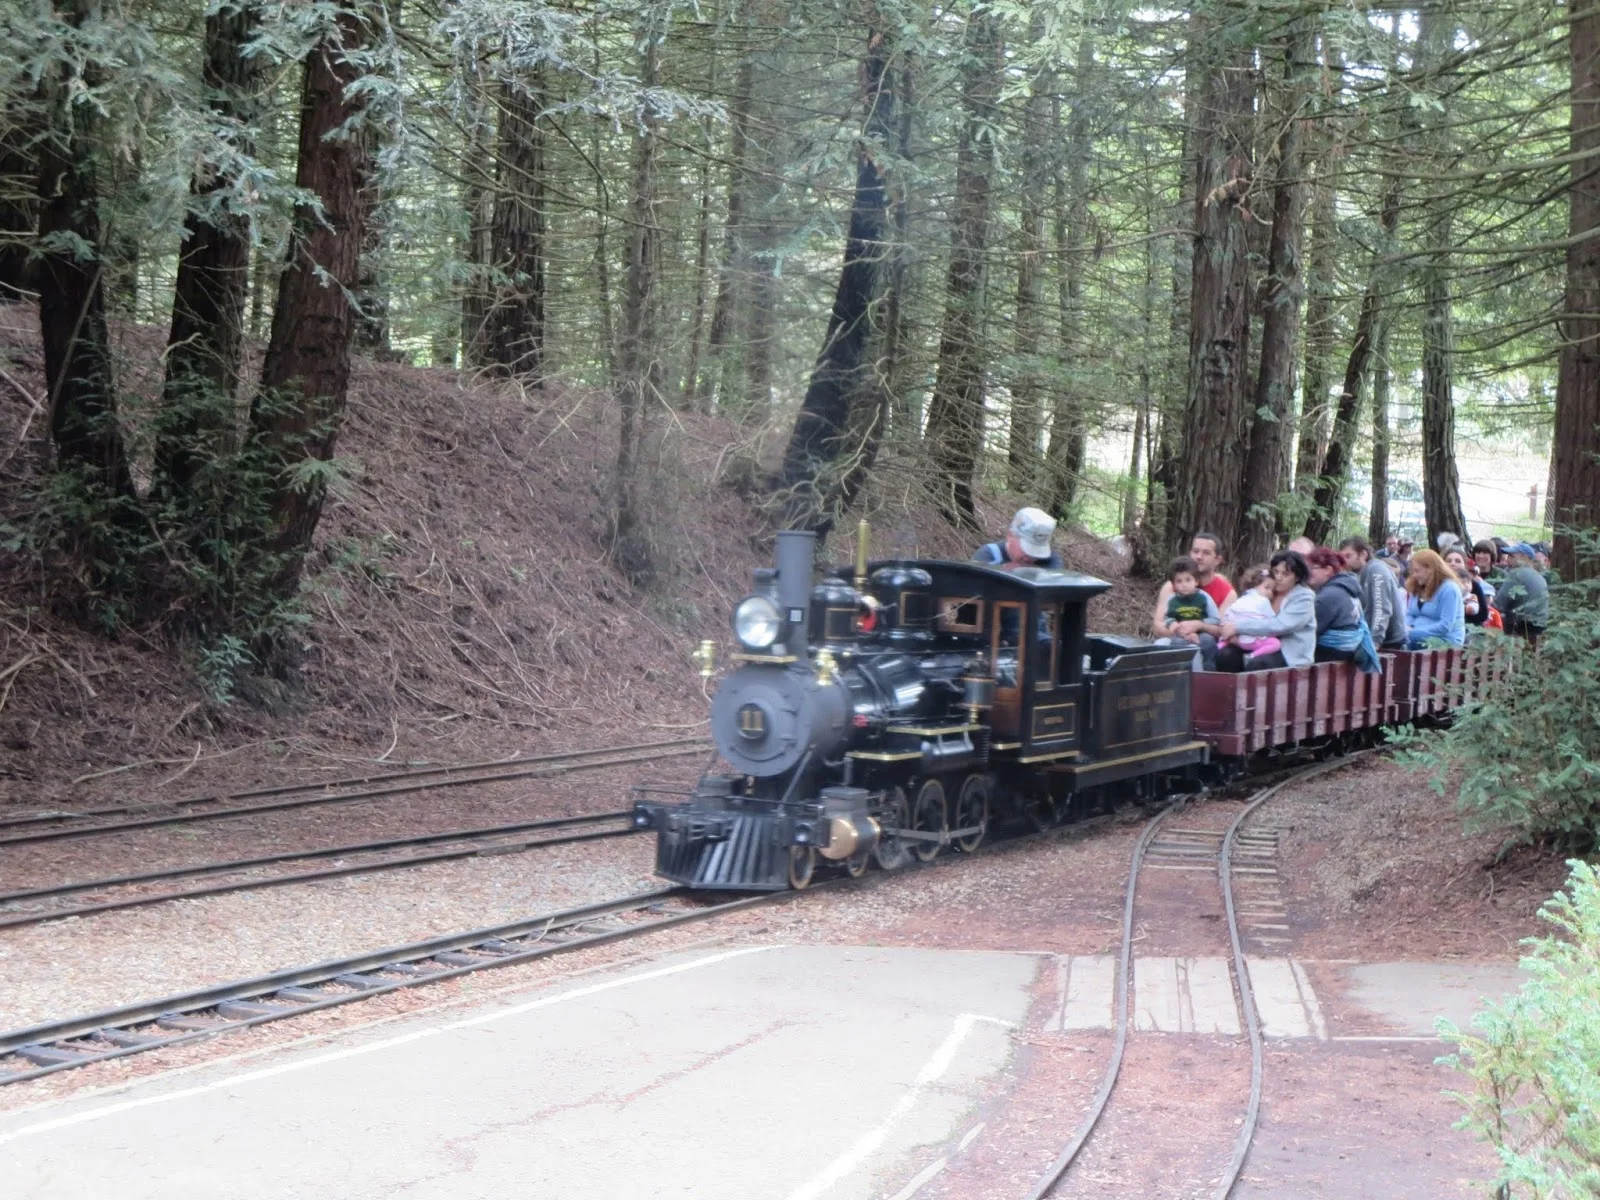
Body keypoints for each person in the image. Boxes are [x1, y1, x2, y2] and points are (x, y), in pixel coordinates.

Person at [1217, 550, 1318, 671]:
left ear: (1297, 577)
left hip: (1288, 652)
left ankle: (1251, 690)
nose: (1279, 578)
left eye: (1285, 574)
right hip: (1257, 642)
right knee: (1225, 655)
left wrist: (1237, 626)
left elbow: (1281, 625)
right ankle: (1228, 689)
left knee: (1259, 664)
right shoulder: (1268, 591)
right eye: (1276, 572)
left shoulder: (1304, 597)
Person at [1149, 532, 1236, 639]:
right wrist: (1184, 633)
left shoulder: (1227, 592)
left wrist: (1200, 625)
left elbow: (1222, 630)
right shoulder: (1172, 586)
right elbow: (1158, 627)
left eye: (1206, 553)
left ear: (1217, 559)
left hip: (1207, 646)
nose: (1199, 557)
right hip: (1174, 643)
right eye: (1195, 551)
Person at [1305, 546, 1379, 670]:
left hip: (1331, 653)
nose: (1307, 573)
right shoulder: (1347, 588)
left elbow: (1311, 631)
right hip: (1349, 651)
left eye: (1311, 568)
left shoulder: (1328, 595)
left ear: (1328, 570)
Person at [1339, 535, 1407, 650]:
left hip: (1390, 644)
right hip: (1376, 640)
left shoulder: (1376, 570)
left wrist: (1374, 643)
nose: (1344, 561)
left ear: (1363, 555)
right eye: (1342, 557)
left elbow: (1381, 609)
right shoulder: (1359, 575)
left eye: (1348, 556)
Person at [1155, 557, 1219, 670]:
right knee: (1177, 645)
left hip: (1201, 632)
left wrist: (1200, 624)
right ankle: (1182, 674)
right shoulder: (1172, 600)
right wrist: (1173, 624)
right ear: (1174, 584)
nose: (1184, 585)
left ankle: (1208, 673)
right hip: (1180, 634)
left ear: (1196, 581)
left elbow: (1215, 619)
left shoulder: (1204, 597)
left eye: (1188, 580)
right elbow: (1168, 618)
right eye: (1179, 581)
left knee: (1208, 642)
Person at [1219, 563, 1282, 665]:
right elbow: (1272, 622)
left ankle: (1221, 644)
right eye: (1267, 588)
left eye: (1272, 590)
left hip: (1235, 637)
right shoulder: (1264, 602)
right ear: (1254, 585)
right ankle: (1252, 655)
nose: (1270, 592)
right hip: (1252, 640)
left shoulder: (1241, 599)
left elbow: (1228, 614)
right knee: (1276, 643)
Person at [1404, 549, 1467, 648]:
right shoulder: (1416, 585)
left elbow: (1445, 626)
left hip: (1446, 639)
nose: (1414, 575)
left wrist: (1413, 632)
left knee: (1406, 639)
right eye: (1413, 572)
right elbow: (1409, 614)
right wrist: (1405, 628)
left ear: (1430, 569)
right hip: (1415, 635)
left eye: (1417, 571)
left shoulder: (1449, 588)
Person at [1491, 542, 1550, 640]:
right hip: (1539, 627)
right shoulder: (1538, 575)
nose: (1507, 559)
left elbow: (1499, 604)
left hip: (1523, 628)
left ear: (1524, 557)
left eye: (1511, 556)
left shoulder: (1517, 574)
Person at [975, 507, 1063, 570]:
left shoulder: (1049, 560)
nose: (1030, 557)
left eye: (1037, 551)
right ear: (1010, 536)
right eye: (1026, 549)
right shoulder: (989, 556)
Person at [1444, 547, 1494, 628]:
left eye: (1458, 561)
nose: (1453, 563)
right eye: (1449, 561)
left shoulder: (1472, 585)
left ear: (1464, 565)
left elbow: (1483, 615)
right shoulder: (1437, 584)